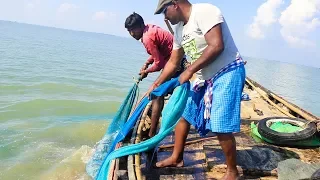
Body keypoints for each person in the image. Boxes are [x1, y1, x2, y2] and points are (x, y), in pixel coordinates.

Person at [149, 0, 246, 179]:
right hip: (204, 77)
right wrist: (157, 83)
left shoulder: (204, 11)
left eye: (164, 11)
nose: (165, 17)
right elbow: (173, 61)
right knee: (184, 114)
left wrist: (190, 70)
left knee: (220, 123)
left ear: (175, 4)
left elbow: (216, 45)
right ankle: (177, 157)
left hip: (227, 71)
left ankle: (232, 171)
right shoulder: (179, 29)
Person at [125, 12, 187, 138]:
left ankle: (152, 133)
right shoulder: (149, 29)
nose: (132, 34)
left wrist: (146, 72)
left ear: (141, 26)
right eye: (129, 31)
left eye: (134, 30)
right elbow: (158, 53)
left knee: (156, 94)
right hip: (176, 59)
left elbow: (159, 64)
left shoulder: (147, 38)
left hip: (176, 64)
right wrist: (147, 63)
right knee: (159, 93)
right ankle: (155, 127)